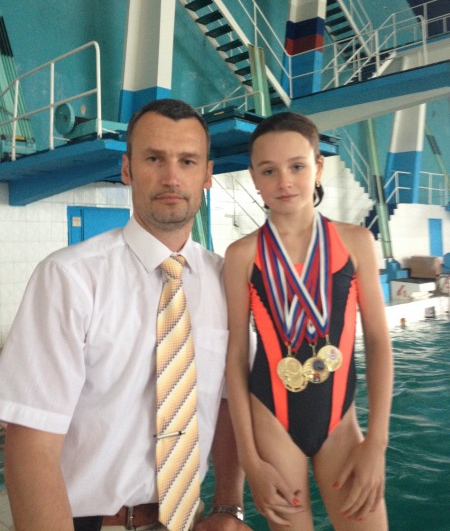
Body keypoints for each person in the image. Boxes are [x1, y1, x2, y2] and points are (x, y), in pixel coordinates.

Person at [0, 99, 250, 531]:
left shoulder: (226, 282)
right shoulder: (70, 278)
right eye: (154, 159)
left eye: (187, 161)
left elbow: (228, 401)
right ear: (127, 169)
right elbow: (30, 443)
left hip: (188, 519)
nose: (171, 177)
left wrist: (228, 506)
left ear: (207, 174)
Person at [224, 112, 393, 531]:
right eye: (269, 170)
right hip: (272, 424)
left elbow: (377, 341)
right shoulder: (242, 255)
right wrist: (250, 459)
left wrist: (377, 442)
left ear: (318, 167)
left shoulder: (355, 242)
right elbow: (236, 356)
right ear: (254, 177)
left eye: (297, 166)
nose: (284, 181)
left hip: (341, 426)